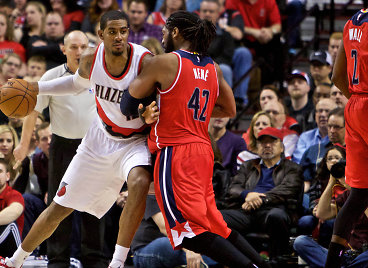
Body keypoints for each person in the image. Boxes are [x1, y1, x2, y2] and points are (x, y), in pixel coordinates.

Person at [0, 11, 154, 268]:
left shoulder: (144, 60)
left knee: (138, 182)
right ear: (101, 35)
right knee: (59, 207)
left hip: (133, 142)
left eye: (123, 31)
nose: (118, 37)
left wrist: (150, 113)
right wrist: (37, 87)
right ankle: (16, 260)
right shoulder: (92, 58)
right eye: (112, 32)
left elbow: (160, 97)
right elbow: (75, 85)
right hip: (98, 139)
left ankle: (116, 263)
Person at [122, 10, 269, 268]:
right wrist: (184, 108)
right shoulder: (213, 67)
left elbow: (127, 104)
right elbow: (229, 109)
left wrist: (154, 108)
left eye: (166, 29)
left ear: (176, 32)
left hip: (176, 152)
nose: (162, 34)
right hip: (203, 150)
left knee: (187, 232)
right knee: (217, 226)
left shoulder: (165, 62)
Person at [14, 30, 104, 268]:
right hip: (63, 147)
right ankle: (58, 258)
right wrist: (24, 145)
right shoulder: (52, 76)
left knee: (95, 205)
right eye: (73, 47)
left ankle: (94, 258)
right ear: (63, 49)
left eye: (84, 46)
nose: (79, 51)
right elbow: (32, 112)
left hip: (95, 146)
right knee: (58, 205)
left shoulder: (100, 75)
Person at [325, 9, 368, 267]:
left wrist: (357, 102)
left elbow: (336, 77)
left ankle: (332, 263)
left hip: (354, 106)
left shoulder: (352, 21)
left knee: (359, 196)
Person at [220, 127, 303, 261]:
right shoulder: (247, 166)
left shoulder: (293, 168)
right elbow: (233, 188)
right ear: (257, 147)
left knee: (276, 216)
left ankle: (277, 260)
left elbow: (287, 190)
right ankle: (229, 259)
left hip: (274, 210)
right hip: (246, 211)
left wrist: (259, 200)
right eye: (263, 142)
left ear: (282, 148)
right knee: (217, 217)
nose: (267, 145)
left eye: (272, 142)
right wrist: (247, 195)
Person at [292, 98, 336, 164]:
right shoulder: (305, 137)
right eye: (320, 111)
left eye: (327, 111)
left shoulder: (338, 137)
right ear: (315, 115)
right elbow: (299, 161)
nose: (323, 115)